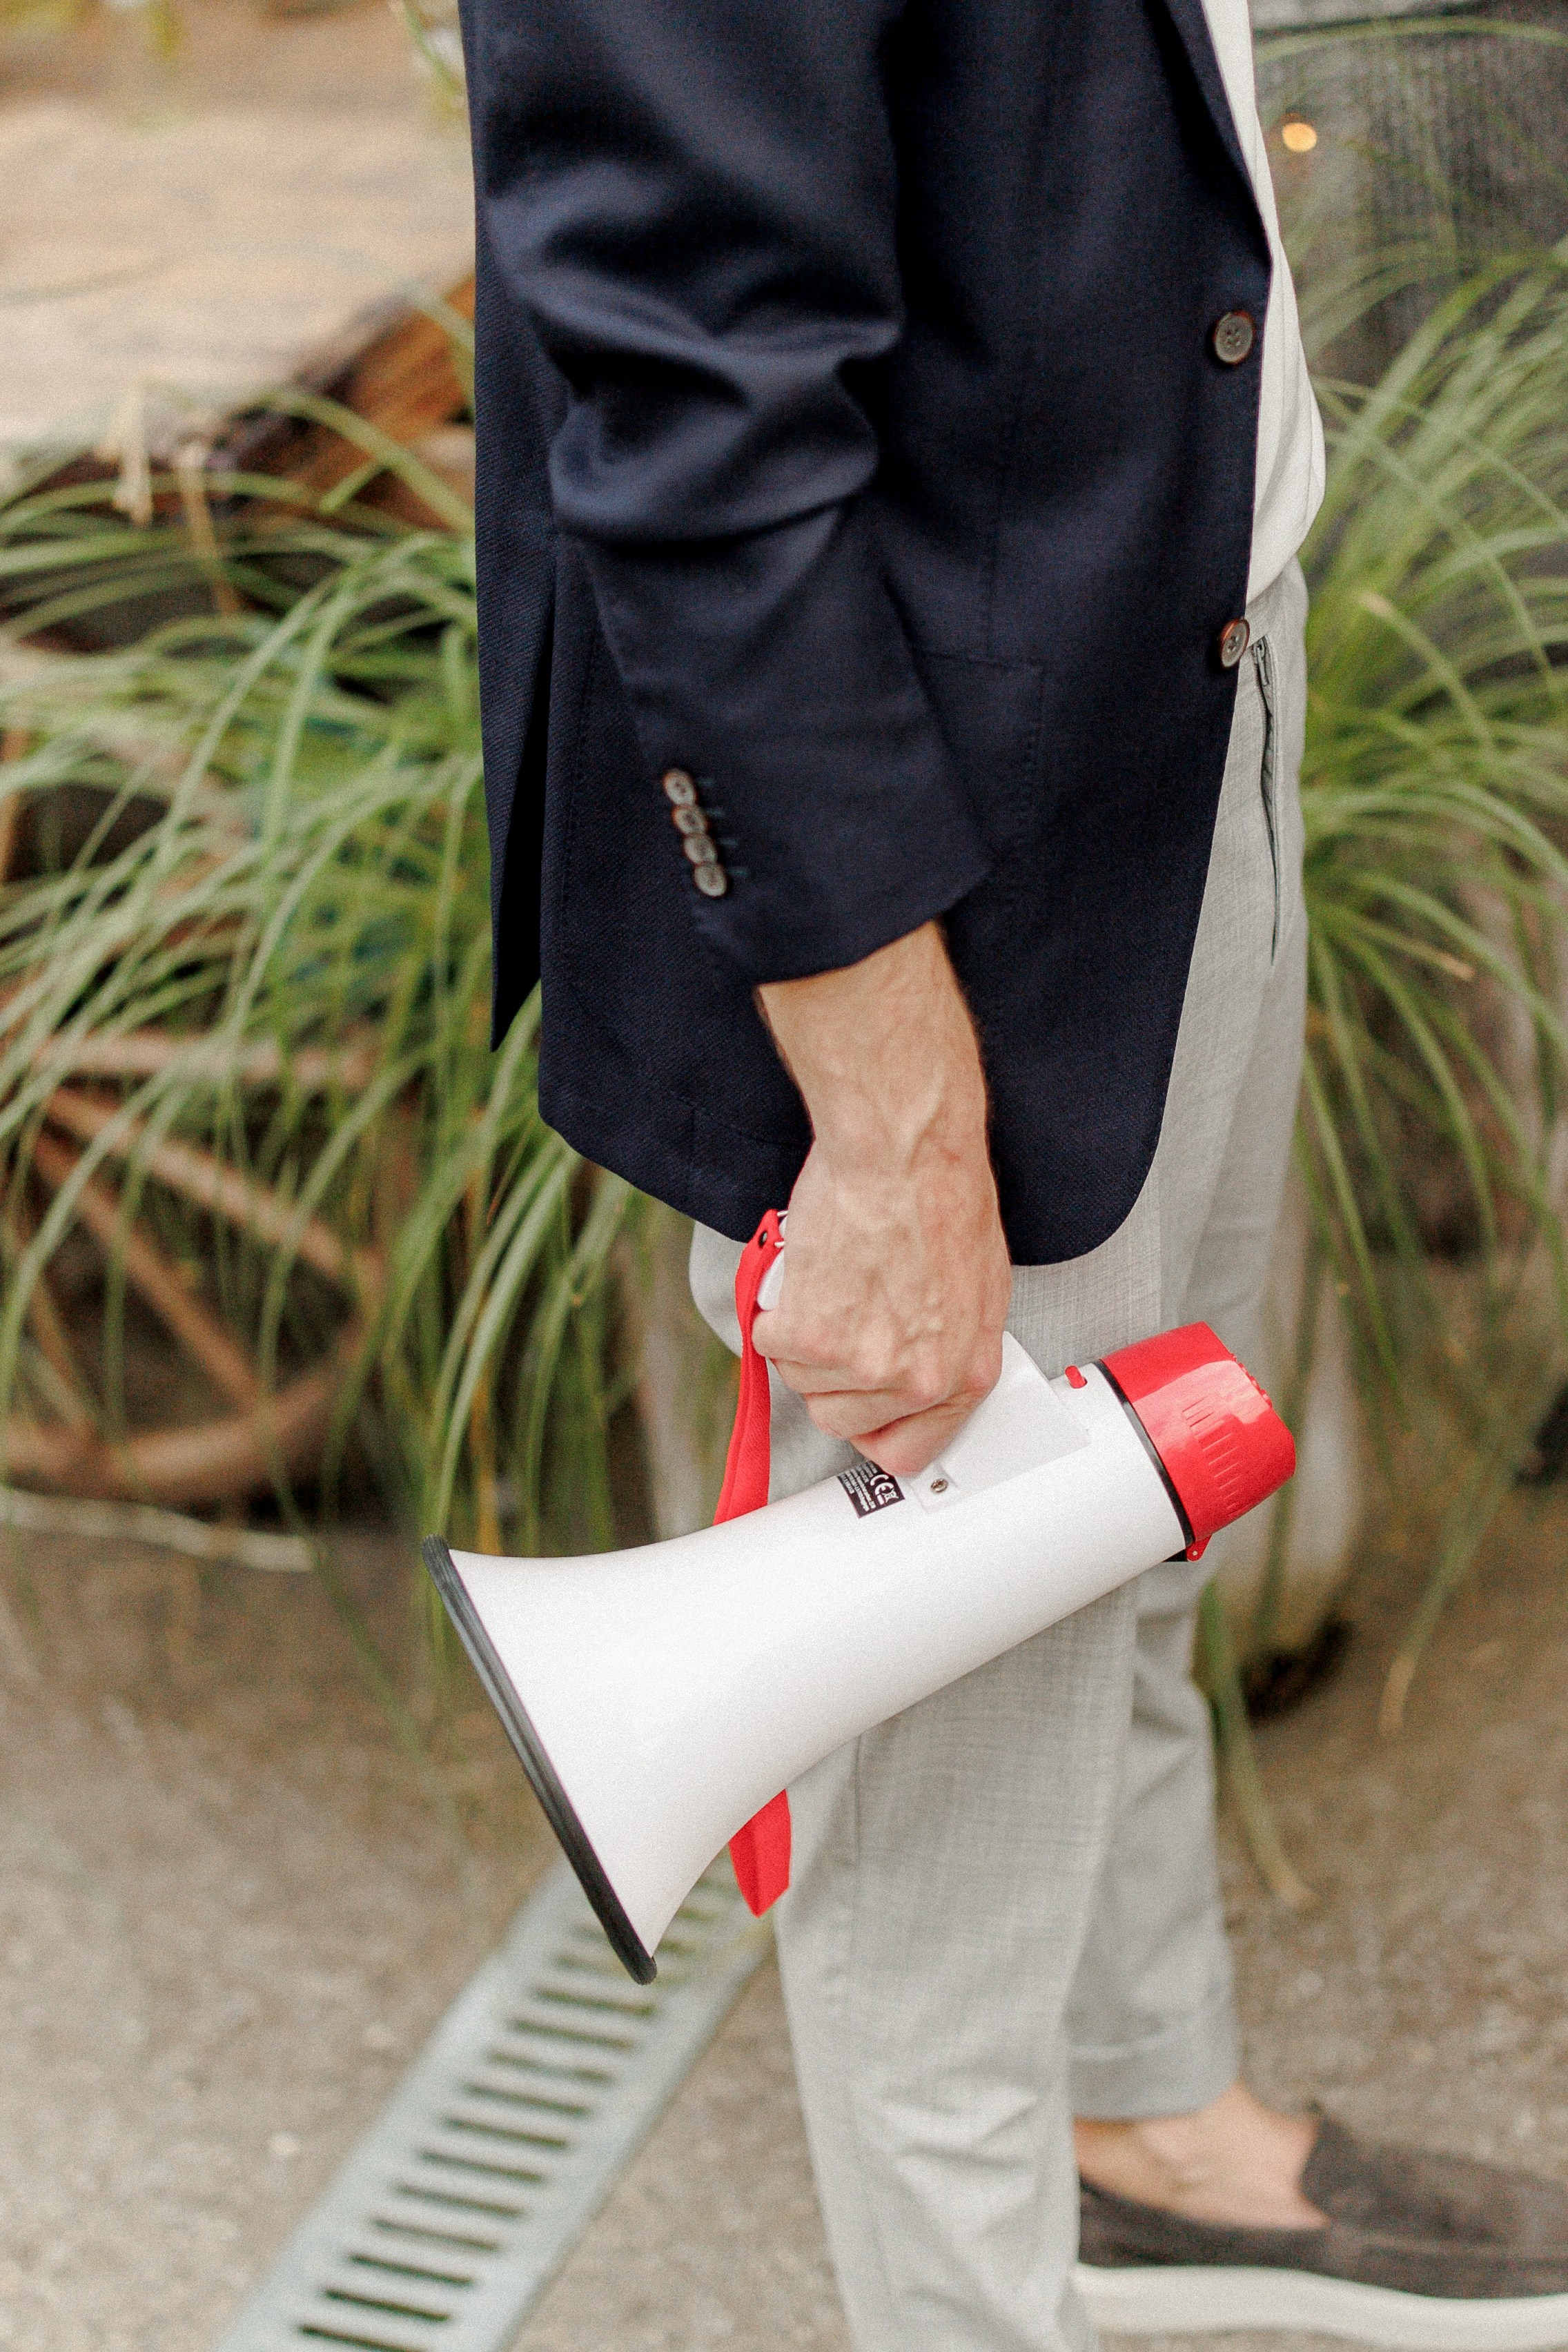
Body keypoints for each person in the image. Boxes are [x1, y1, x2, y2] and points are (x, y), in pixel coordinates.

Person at [456, 0, 1568, 2342]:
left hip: (1172, 694)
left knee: (1132, 1518)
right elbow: (685, 398)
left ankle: (1146, 2136)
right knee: (941, 1808)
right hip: (914, 894)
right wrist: (888, 1114)